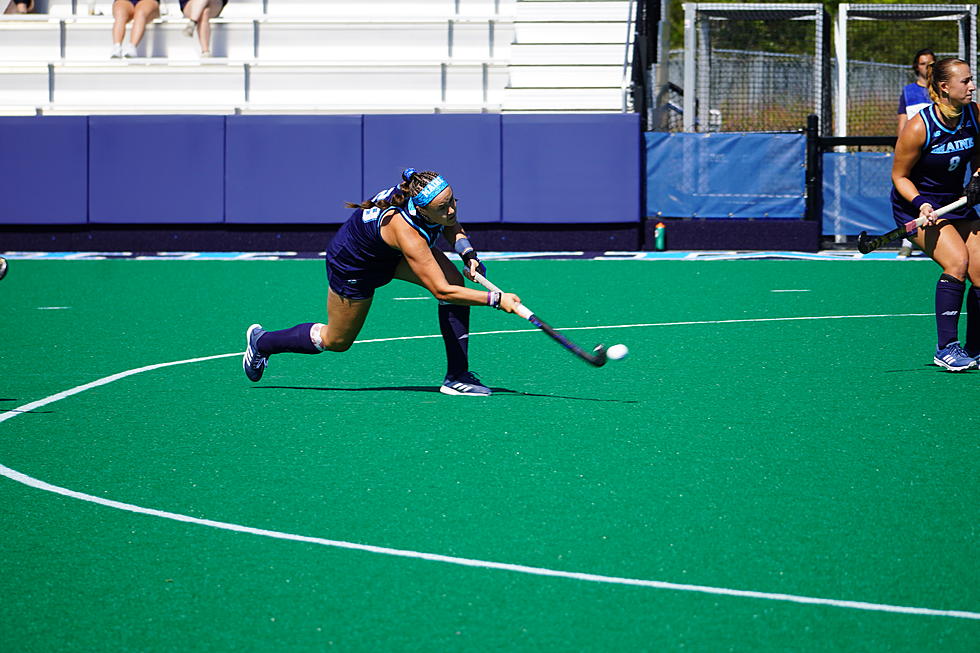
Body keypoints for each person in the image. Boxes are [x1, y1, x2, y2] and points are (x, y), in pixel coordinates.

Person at [242, 169, 522, 396]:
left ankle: (457, 376)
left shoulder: (428, 200)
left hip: (388, 253)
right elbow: (442, 291)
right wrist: (497, 300)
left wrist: (468, 254)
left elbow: (451, 225)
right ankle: (263, 342)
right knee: (337, 340)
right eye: (443, 206)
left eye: (452, 201)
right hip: (355, 267)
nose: (451, 210)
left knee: (452, 278)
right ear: (423, 210)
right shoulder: (407, 232)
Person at [891, 57, 980, 371]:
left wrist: (977, 178)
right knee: (957, 263)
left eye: (971, 80)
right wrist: (921, 204)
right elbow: (899, 176)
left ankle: (975, 348)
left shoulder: (973, 112)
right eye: (966, 81)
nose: (972, 86)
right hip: (919, 207)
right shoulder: (920, 126)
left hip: (958, 203)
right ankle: (947, 348)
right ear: (945, 87)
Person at [896, 49, 937, 257]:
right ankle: (908, 240)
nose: (927, 67)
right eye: (922, 63)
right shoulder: (908, 91)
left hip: (936, 155)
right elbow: (903, 125)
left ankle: (940, 239)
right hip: (915, 156)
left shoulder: (941, 91)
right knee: (911, 198)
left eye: (931, 63)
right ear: (916, 67)